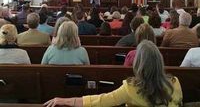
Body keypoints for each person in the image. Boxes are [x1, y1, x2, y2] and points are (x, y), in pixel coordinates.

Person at [44, 40, 183, 107]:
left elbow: (99, 101)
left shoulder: (131, 88)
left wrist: (64, 100)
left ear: (138, 64)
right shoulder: (175, 83)